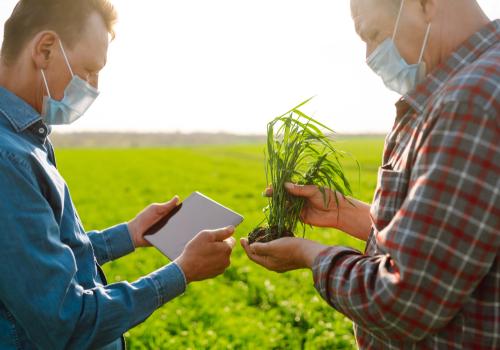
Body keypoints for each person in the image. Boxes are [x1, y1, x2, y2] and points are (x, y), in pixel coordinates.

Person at [242, 0, 499, 348]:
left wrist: (309, 254)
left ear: (425, 4)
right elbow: (451, 242)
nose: (369, 56)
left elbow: (405, 302)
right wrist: (344, 214)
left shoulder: (471, 101)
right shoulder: (467, 86)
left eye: (374, 34)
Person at [0, 1, 236, 349]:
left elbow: (38, 261)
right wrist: (182, 272)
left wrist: (130, 234)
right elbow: (66, 321)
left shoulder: (26, 138)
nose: (94, 87)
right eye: (88, 71)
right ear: (45, 49)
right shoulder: (9, 158)